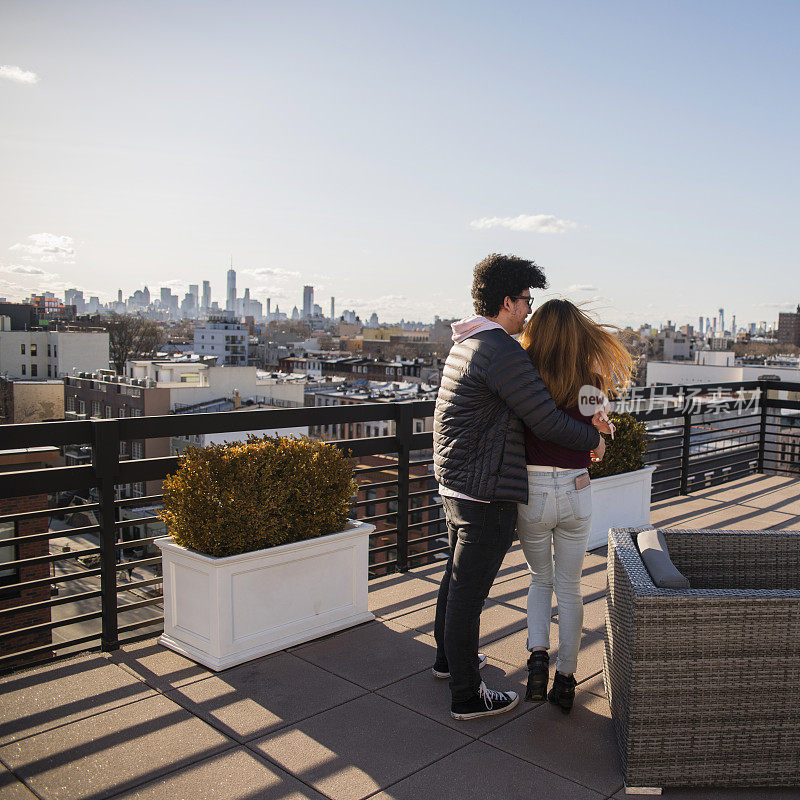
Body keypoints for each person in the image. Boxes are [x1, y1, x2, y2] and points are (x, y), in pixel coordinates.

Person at [432, 254, 611, 721]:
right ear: (507, 301)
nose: (529, 310)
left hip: (466, 482)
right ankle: (472, 693)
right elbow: (555, 420)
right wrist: (595, 438)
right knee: (480, 594)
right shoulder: (506, 354)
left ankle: (458, 661)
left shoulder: (473, 345)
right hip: (499, 489)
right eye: (525, 301)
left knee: (467, 581)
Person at [516, 299, 632, 714]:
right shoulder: (589, 382)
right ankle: (566, 678)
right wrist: (602, 432)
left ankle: (536, 658)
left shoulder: (525, 376)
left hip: (531, 490)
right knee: (569, 586)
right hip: (576, 488)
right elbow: (599, 428)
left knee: (538, 580)